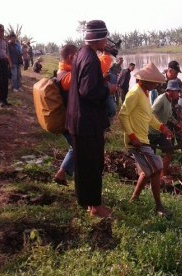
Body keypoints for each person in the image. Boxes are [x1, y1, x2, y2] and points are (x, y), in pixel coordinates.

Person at [65, 20, 117, 218]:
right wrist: (108, 89)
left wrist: (99, 83)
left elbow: (84, 85)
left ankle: (88, 203)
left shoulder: (81, 54)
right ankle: (95, 206)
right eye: (105, 37)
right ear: (101, 38)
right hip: (87, 122)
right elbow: (89, 91)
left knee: (84, 164)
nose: (106, 41)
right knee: (93, 164)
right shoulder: (90, 59)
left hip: (80, 120)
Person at [118, 62, 172, 217]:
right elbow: (123, 115)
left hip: (143, 138)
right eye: (154, 82)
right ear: (145, 80)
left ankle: (134, 199)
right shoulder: (135, 93)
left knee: (147, 172)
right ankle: (159, 206)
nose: (156, 85)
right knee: (157, 167)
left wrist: (163, 128)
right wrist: (132, 136)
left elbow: (149, 118)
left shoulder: (145, 94)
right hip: (136, 141)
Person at [53, 44, 78, 186]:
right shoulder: (67, 76)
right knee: (78, 147)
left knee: (75, 147)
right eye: (78, 56)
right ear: (71, 57)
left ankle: (62, 174)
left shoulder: (62, 71)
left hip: (67, 118)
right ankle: (64, 174)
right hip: (69, 120)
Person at [149, 79, 182, 177]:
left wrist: (177, 124)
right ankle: (151, 176)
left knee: (169, 151)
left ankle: (163, 174)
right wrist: (161, 125)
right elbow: (152, 113)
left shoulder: (169, 100)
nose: (178, 94)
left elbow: (170, 115)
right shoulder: (161, 99)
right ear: (170, 91)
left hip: (161, 131)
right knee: (151, 155)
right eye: (177, 91)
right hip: (151, 132)